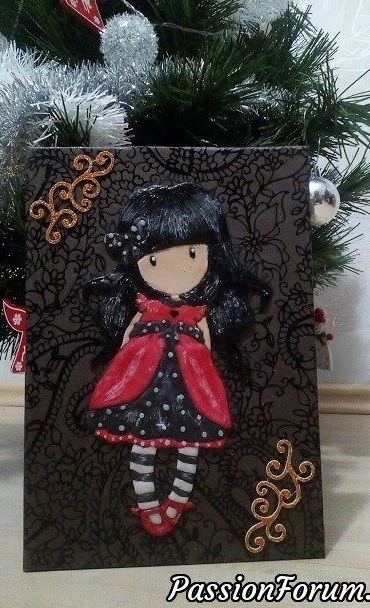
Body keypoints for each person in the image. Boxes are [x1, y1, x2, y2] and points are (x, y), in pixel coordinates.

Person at [84, 182, 271, 536]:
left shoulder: (197, 312)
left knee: (191, 443)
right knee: (141, 441)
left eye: (192, 254)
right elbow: (126, 343)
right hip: (142, 383)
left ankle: (177, 499)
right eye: (154, 259)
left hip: (190, 383)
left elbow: (207, 347)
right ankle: (147, 504)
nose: (175, 268)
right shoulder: (145, 308)